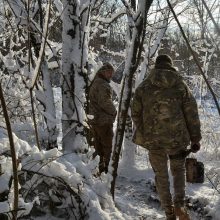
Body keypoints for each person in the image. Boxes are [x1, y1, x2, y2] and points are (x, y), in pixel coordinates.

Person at [131, 54, 201, 220]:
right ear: (170, 66)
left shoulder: (144, 87)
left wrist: (145, 130)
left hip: (153, 140)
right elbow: (191, 113)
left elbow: (135, 113)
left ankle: (169, 213)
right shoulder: (180, 85)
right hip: (177, 140)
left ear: (156, 66)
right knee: (178, 171)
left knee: (160, 176)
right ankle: (179, 204)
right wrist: (195, 138)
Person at [89, 63, 117, 174]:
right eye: (109, 72)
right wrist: (114, 111)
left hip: (95, 120)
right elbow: (105, 102)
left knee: (97, 146)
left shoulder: (95, 82)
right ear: (103, 71)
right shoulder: (103, 84)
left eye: (112, 72)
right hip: (103, 121)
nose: (111, 75)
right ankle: (105, 171)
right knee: (106, 146)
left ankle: (98, 170)